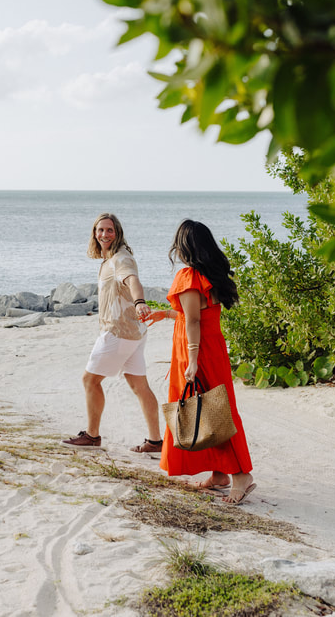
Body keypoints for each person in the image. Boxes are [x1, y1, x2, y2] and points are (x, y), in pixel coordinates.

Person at [148, 219, 255, 504]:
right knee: (213, 410)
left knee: (217, 412)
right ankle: (220, 474)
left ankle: (241, 475)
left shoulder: (189, 276)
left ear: (184, 246)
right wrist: (166, 314)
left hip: (198, 353)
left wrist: (192, 360)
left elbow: (194, 320)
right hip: (211, 348)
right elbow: (194, 316)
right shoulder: (209, 275)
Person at [62, 213, 163, 453]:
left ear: (117, 232)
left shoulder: (121, 258)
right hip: (135, 332)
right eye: (100, 230)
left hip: (118, 331)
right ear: (94, 233)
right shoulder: (109, 260)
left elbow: (132, 280)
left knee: (90, 380)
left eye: (109, 230)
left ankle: (92, 436)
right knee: (139, 386)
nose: (104, 234)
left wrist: (140, 302)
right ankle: (156, 442)